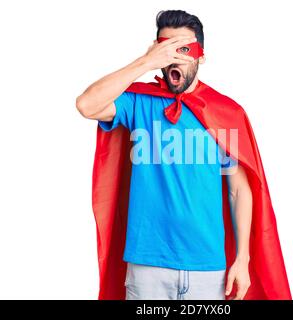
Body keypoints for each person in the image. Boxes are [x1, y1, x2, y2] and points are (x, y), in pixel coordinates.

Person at [76, 10, 264, 300]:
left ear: (201, 56)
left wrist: (243, 259)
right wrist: (146, 62)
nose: (174, 58)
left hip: (208, 269)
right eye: (167, 49)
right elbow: (87, 105)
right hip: (147, 266)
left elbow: (239, 190)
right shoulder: (139, 102)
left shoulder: (225, 113)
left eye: (184, 49)